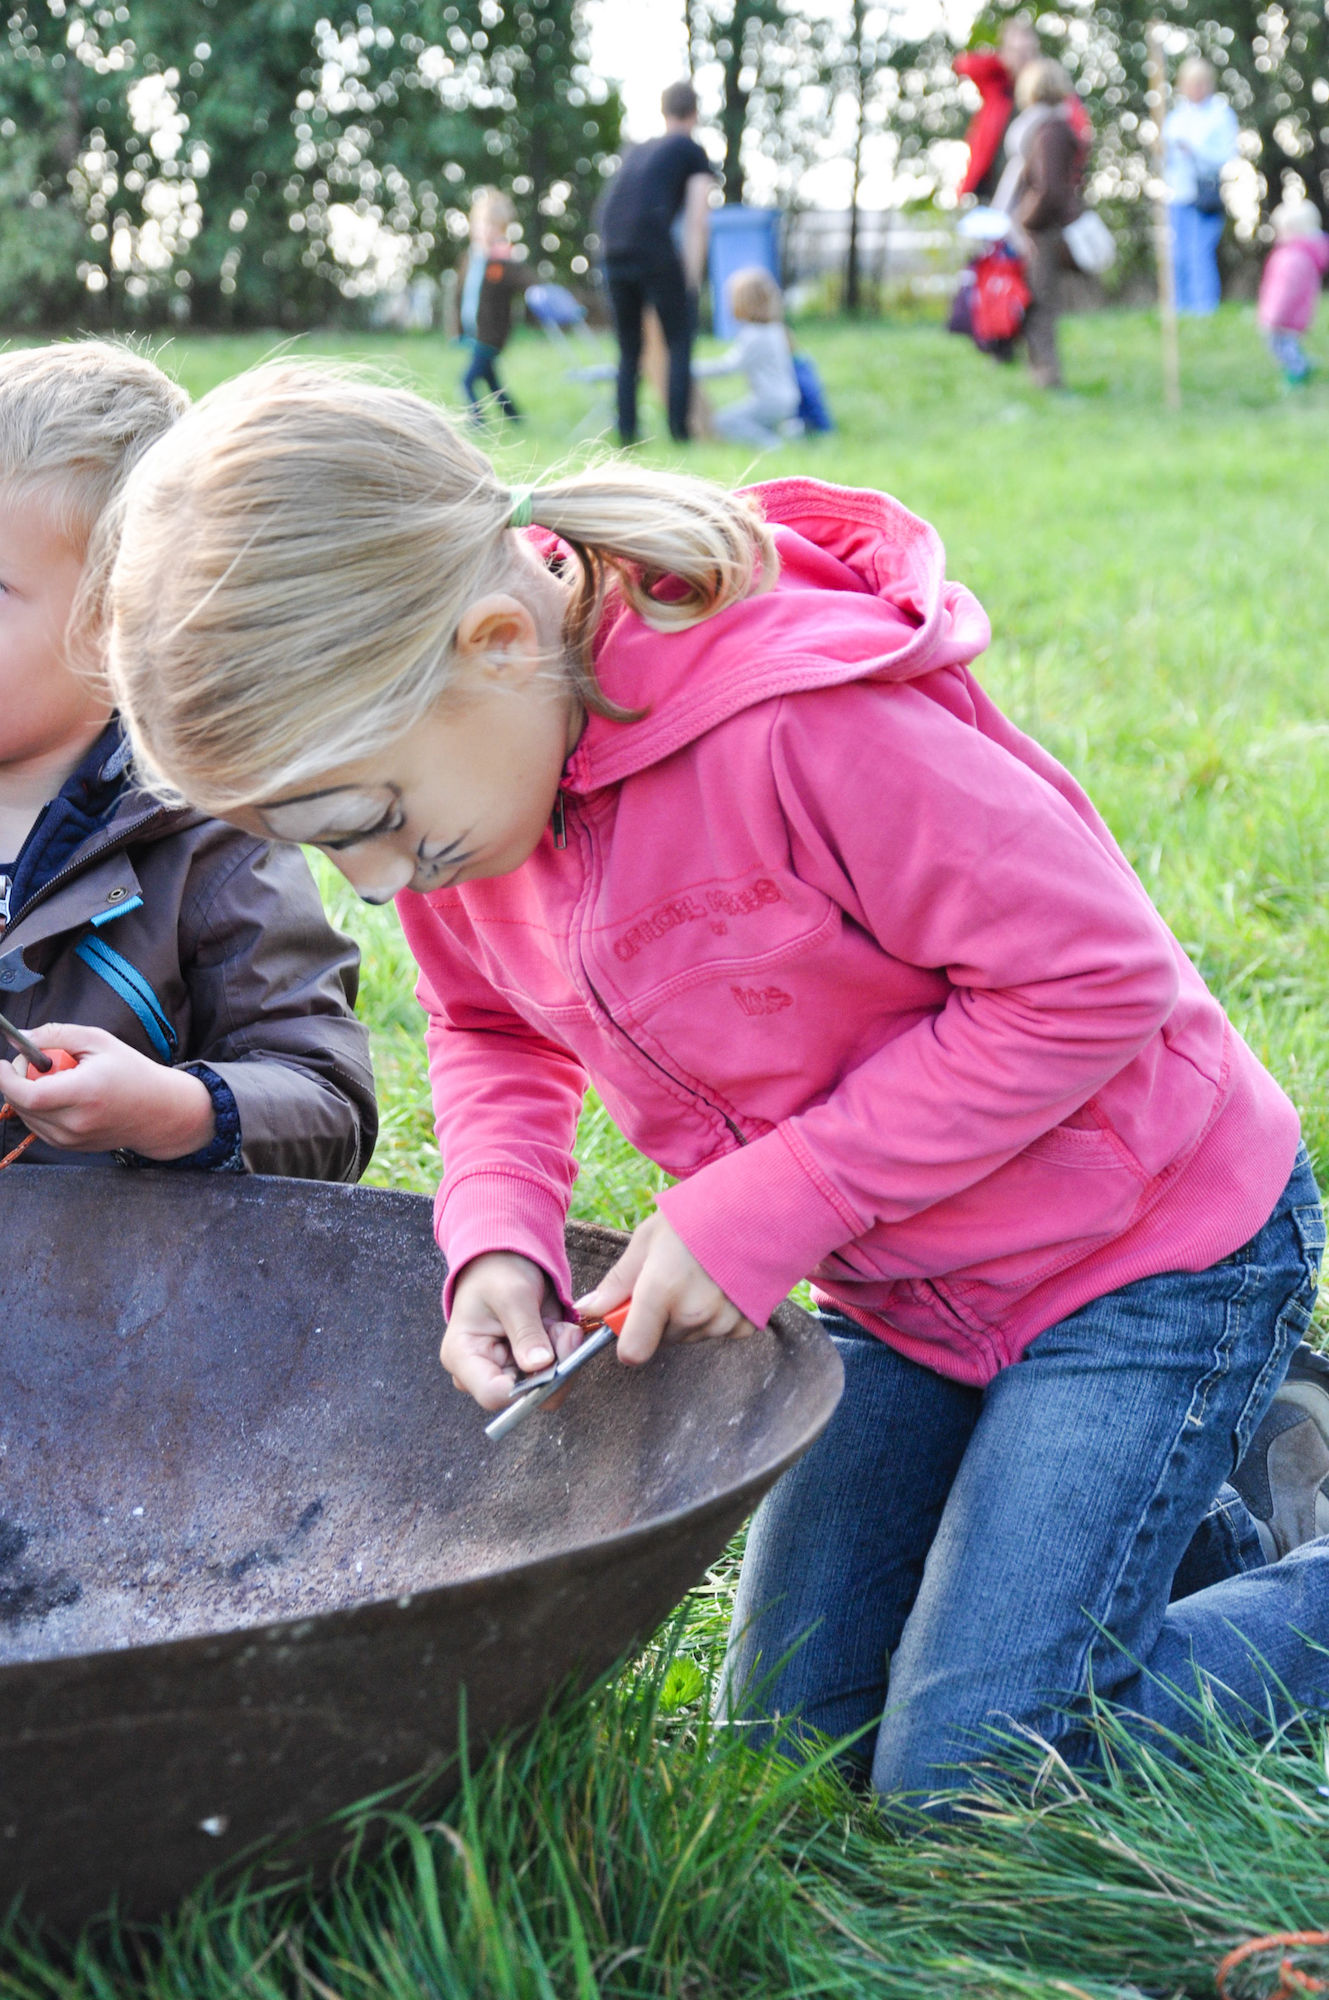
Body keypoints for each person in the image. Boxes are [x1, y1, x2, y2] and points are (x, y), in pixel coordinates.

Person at [103, 362, 1325, 1805]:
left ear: (495, 640)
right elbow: (488, 1028)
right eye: (319, 848)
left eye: (367, 825)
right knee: (787, 1758)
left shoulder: (801, 724)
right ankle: (1211, 1503)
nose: (374, 886)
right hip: (904, 1297)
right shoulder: (462, 808)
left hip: (1141, 1263)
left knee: (974, 1782)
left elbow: (1097, 986)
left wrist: (772, 1201)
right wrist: (494, 1229)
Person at [0, 343, 377, 1180]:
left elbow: (327, 1102)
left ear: (113, 623)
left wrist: (172, 1112)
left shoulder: (211, 839)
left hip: (112, 1289)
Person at [598, 80, 716, 445]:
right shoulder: (692, 150)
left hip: (610, 249)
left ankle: (627, 435)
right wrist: (692, 280)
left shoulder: (636, 149)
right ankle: (681, 434)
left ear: (664, 112)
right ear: (694, 114)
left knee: (629, 349)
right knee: (679, 339)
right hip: (652, 247)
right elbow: (698, 219)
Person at [996, 58, 1084, 389]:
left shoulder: (1049, 130)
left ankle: (1048, 377)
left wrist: (1024, 220)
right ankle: (1035, 372)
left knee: (1041, 303)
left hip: (1040, 231)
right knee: (1030, 300)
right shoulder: (1043, 126)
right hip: (1032, 229)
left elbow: (1048, 190)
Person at [954, 18, 1091, 204]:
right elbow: (964, 65)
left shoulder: (1050, 93)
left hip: (1033, 194)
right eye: (1016, 52)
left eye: (1028, 52)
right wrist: (1001, 60)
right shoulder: (998, 86)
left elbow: (1079, 131)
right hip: (992, 190)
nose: (1022, 59)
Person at [692, 267, 800, 449]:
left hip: (770, 401)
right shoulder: (776, 329)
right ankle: (788, 429)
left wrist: (693, 369)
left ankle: (771, 444)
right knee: (749, 414)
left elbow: (728, 367)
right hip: (789, 398)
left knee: (721, 422)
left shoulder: (753, 335)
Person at [1164, 57, 1238, 316]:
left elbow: (1226, 155)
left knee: (1199, 253)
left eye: (1201, 82)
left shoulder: (1221, 115)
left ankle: (1204, 310)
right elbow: (1166, 157)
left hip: (1205, 194)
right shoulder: (1175, 117)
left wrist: (1194, 150)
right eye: (1190, 83)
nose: (1196, 87)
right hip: (1177, 194)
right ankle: (1179, 310)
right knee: (1179, 256)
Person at [458, 189, 530, 423]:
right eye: (482, 224)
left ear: (502, 230)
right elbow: (460, 296)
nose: (486, 231)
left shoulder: (502, 261)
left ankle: (477, 422)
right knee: (491, 381)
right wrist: (457, 330)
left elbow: (526, 280)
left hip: (491, 335)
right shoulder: (472, 259)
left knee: (467, 381)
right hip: (473, 332)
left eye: (493, 226)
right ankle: (515, 418)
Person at [1257, 196, 1329, 386]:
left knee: (1282, 347)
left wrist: (1274, 315)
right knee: (1288, 345)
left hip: (1283, 316)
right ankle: (1302, 366)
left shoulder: (1291, 258)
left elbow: (1284, 291)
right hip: (1296, 314)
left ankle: (1297, 374)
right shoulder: (1303, 255)